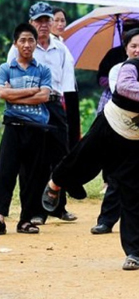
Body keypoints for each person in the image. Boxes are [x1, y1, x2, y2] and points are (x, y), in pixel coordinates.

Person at [41, 26, 139, 271]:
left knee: (136, 195)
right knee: (80, 163)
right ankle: (55, 183)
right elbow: (125, 87)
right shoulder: (133, 66)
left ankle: (134, 252)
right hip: (110, 127)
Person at [7, 2, 78, 224]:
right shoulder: (20, 48)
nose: (44, 24)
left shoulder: (61, 48)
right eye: (39, 21)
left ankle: (59, 206)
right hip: (30, 107)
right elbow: (9, 81)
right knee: (32, 160)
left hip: (55, 105)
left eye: (47, 20)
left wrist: (70, 118)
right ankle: (34, 210)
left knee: (61, 156)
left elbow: (68, 83)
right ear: (31, 23)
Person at [89, 28, 139, 235]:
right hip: (120, 128)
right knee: (116, 176)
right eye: (134, 46)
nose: (138, 50)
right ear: (127, 49)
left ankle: (135, 229)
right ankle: (106, 220)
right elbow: (124, 93)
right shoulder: (118, 70)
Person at [0, 23, 52, 235]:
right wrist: (32, 90)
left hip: (37, 128)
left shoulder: (43, 70)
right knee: (5, 172)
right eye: (22, 40)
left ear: (36, 44)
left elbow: (45, 96)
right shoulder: (5, 69)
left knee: (33, 176)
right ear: (15, 44)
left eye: (31, 40)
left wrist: (15, 93)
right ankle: (0, 217)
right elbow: (3, 94)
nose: (27, 44)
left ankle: (25, 220)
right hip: (13, 127)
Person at [51, 6, 82, 150]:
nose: (60, 24)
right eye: (56, 20)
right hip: (59, 94)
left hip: (70, 92)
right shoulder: (48, 44)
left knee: (72, 132)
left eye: (62, 20)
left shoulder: (62, 42)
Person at [96, 19, 139, 113]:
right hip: (113, 97)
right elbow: (101, 77)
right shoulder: (113, 54)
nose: (137, 50)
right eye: (133, 46)